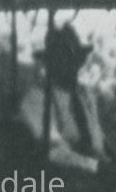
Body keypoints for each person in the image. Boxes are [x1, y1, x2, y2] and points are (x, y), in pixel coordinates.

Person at [19, 24, 107, 173]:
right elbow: (54, 152)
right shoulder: (37, 98)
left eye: (74, 58)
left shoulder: (86, 95)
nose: (71, 65)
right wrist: (98, 167)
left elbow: (97, 140)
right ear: (49, 63)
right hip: (61, 177)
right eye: (61, 59)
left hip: (97, 172)